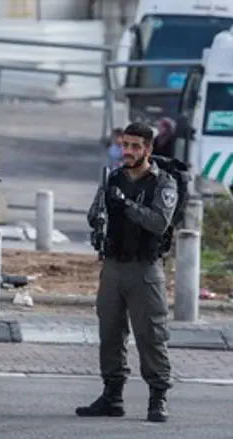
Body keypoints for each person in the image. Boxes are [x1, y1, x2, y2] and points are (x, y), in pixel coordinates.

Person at [77, 122, 178, 423]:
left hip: (144, 270)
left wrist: (126, 205)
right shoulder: (113, 178)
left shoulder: (163, 183)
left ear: (148, 149)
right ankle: (112, 396)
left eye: (135, 146)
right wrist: (101, 216)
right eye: (125, 145)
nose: (128, 152)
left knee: (150, 334)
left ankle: (158, 397)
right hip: (113, 267)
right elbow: (93, 213)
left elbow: (159, 222)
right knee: (110, 333)